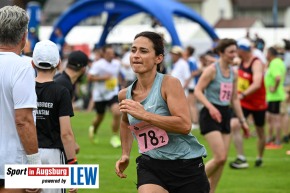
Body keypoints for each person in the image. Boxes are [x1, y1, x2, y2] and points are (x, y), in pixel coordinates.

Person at [115, 31, 210, 193]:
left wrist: (145, 115)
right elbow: (125, 122)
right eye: (133, 50)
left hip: (185, 166)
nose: (136, 55)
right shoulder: (125, 94)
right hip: (150, 165)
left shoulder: (169, 84)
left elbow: (185, 125)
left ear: (158, 58)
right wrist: (125, 154)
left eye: (143, 51)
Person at [194, 38, 249, 193]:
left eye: (235, 51)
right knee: (220, 157)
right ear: (220, 53)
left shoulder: (233, 73)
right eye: (230, 52)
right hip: (210, 114)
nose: (234, 55)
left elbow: (235, 98)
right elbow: (198, 91)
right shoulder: (212, 70)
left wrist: (243, 121)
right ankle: (190, 184)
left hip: (225, 114)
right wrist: (211, 107)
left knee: (222, 161)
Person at [0, 5, 41, 192]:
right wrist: (35, 166)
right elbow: (23, 121)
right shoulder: (22, 66)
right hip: (10, 162)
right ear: (24, 37)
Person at [32, 40, 77, 193]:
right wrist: (73, 168)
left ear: (33, 63)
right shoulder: (61, 91)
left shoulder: (24, 88)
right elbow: (66, 133)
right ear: (58, 64)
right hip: (53, 155)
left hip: (26, 152)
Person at [229, 38, 267, 169]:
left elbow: (257, 84)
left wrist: (242, 94)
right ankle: (241, 158)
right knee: (234, 124)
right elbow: (225, 63)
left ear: (243, 50)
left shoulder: (256, 63)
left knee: (260, 131)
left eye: (237, 50)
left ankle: (259, 157)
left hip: (258, 103)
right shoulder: (239, 61)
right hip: (243, 102)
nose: (235, 53)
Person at [54, 50, 89, 154]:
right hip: (51, 143)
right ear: (83, 69)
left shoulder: (60, 80)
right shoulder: (65, 85)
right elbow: (59, 118)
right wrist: (71, 143)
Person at [88, 45, 122, 148]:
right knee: (100, 117)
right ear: (103, 54)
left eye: (112, 53)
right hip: (100, 94)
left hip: (112, 92)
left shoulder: (117, 63)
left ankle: (115, 137)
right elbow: (90, 78)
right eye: (109, 53)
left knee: (117, 112)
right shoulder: (98, 65)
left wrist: (121, 83)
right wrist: (103, 78)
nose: (111, 55)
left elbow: (117, 75)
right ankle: (93, 129)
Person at [264, 47, 286, 148]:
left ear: (270, 54)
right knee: (271, 118)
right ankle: (271, 138)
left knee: (275, 119)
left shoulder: (275, 63)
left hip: (275, 96)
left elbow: (278, 77)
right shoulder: (279, 62)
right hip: (273, 96)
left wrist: (274, 88)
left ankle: (277, 140)